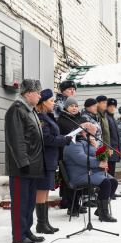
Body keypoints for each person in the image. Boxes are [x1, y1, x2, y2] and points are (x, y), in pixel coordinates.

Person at [4, 79, 46, 243]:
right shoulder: (17, 110)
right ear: (28, 93)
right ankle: (19, 236)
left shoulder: (30, 110)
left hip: (32, 166)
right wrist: (23, 163)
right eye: (38, 93)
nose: (40, 96)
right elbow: (17, 140)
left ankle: (26, 231)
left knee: (28, 203)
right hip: (22, 167)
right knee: (20, 204)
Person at [34, 89, 75, 234]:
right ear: (44, 102)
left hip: (51, 159)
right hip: (44, 159)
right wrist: (63, 140)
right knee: (42, 190)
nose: (54, 103)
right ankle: (41, 223)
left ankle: (45, 222)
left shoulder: (48, 116)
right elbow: (46, 139)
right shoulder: (41, 118)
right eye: (51, 101)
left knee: (46, 190)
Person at [62, 132, 119, 222]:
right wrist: (99, 163)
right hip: (79, 175)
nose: (94, 136)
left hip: (90, 172)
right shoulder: (74, 142)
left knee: (113, 182)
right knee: (105, 182)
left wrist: (99, 149)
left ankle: (100, 210)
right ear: (85, 132)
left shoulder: (86, 142)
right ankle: (104, 214)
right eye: (92, 134)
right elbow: (81, 158)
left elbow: (93, 155)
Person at [56, 96, 86, 216]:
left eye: (76, 106)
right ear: (66, 107)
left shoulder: (81, 119)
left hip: (79, 153)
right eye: (71, 106)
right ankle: (70, 205)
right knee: (69, 180)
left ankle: (77, 203)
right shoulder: (61, 120)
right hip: (66, 154)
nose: (74, 108)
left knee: (79, 178)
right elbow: (59, 137)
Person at [105, 98, 121, 190]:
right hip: (110, 149)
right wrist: (109, 148)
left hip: (115, 149)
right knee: (109, 172)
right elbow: (107, 135)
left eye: (114, 106)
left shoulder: (113, 118)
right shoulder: (107, 118)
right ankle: (109, 191)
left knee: (112, 171)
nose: (112, 108)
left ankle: (111, 191)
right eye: (110, 106)